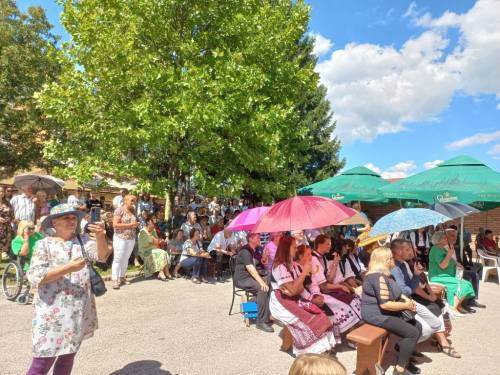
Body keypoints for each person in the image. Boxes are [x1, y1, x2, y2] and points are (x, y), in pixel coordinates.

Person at [26, 204, 108, 375]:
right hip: (52, 313)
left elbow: (102, 255)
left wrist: (100, 236)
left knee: (67, 358)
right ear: (54, 222)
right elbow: (35, 276)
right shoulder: (44, 244)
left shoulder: (83, 240)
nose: (72, 220)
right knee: (42, 362)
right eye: (66, 217)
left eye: (74, 217)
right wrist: (68, 268)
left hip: (78, 309)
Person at [390, 239, 461, 358]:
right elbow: (407, 290)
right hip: (404, 301)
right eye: (408, 249)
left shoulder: (405, 263)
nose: (411, 251)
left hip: (411, 296)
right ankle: (440, 342)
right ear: (398, 251)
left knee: (439, 304)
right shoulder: (396, 267)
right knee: (433, 311)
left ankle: (438, 339)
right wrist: (421, 286)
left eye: (410, 249)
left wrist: (428, 292)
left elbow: (416, 283)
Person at [270, 236, 338, 353]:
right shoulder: (280, 266)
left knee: (319, 313)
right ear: (286, 248)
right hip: (281, 302)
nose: (296, 250)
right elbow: (294, 288)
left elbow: (298, 289)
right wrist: (303, 274)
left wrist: (295, 288)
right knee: (306, 321)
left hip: (292, 297)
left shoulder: (291, 263)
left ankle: (322, 348)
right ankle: (309, 353)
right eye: (294, 247)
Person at [361, 247, 422, 375]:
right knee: (412, 333)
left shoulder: (388, 275)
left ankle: (405, 356)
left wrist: (408, 302)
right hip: (376, 315)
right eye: (392, 257)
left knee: (417, 326)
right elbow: (384, 305)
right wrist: (406, 306)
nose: (394, 259)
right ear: (385, 260)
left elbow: (398, 294)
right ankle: (399, 370)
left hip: (385, 312)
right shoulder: (377, 277)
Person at [309, 236, 362, 338]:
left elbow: (328, 279)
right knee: (348, 303)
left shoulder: (322, 257)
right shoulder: (314, 259)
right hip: (318, 292)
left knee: (353, 299)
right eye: (328, 244)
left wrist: (335, 264)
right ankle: (352, 337)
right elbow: (322, 285)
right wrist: (340, 287)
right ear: (320, 245)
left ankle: (354, 335)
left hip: (324, 289)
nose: (330, 246)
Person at [428, 231, 475, 315]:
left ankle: (458, 305)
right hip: (438, 276)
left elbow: (450, 261)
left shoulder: (444, 249)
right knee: (465, 284)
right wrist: (449, 254)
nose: (446, 239)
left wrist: (457, 264)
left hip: (446, 276)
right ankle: (453, 306)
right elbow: (443, 265)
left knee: (465, 283)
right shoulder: (435, 249)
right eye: (444, 238)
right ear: (438, 240)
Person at [234, 233, 273, 332]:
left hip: (254, 276)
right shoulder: (245, 250)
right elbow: (250, 268)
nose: (259, 239)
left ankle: (273, 314)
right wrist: (261, 282)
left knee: (274, 280)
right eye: (257, 237)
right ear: (250, 239)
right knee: (261, 289)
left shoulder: (256, 250)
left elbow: (260, 264)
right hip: (243, 278)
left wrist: (264, 257)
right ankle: (261, 321)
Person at [445, 228, 485, 311]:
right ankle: (464, 302)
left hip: (455, 269)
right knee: (467, 278)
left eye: (456, 236)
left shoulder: (452, 246)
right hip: (449, 271)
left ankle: (472, 299)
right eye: (452, 236)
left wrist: (459, 265)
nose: (455, 238)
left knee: (475, 275)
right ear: (446, 236)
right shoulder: (444, 247)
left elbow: (455, 260)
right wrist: (457, 265)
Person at [112, 194, 141, 290]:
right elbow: (115, 224)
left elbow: (137, 221)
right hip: (120, 237)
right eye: (132, 200)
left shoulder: (132, 211)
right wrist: (130, 225)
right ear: (126, 201)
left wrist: (137, 224)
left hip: (131, 238)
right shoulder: (119, 210)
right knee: (118, 258)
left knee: (126, 258)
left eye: (134, 201)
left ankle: (122, 277)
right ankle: (114, 279)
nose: (133, 202)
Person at [0, 186, 14, 259]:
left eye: (2, 191)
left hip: (5, 228)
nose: (1, 193)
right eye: (0, 191)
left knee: (1, 249)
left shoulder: (7, 203)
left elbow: (12, 215)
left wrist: (8, 219)